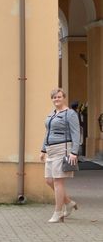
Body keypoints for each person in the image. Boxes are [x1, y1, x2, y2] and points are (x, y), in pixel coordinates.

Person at [39, 88, 81, 223]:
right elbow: (47, 133)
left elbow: (76, 133)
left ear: (64, 98)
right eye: (54, 97)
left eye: (59, 97)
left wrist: (74, 152)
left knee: (58, 182)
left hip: (63, 149)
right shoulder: (51, 114)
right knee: (49, 180)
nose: (56, 99)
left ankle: (58, 213)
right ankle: (69, 203)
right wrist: (43, 150)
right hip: (50, 150)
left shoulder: (70, 114)